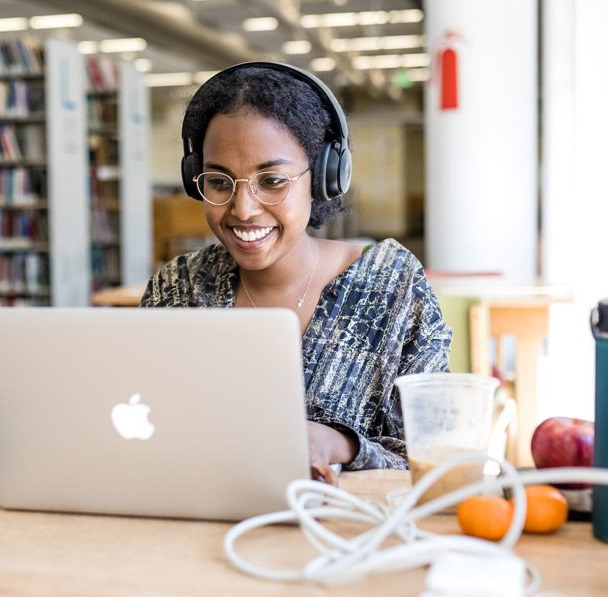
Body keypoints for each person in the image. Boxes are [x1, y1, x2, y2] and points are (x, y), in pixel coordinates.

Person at [141, 62, 451, 485]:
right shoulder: (177, 289)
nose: (243, 209)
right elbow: (143, 428)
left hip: (348, 536)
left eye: (272, 180)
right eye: (219, 181)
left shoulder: (391, 287)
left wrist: (342, 444)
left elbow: (439, 454)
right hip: (196, 523)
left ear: (323, 178)